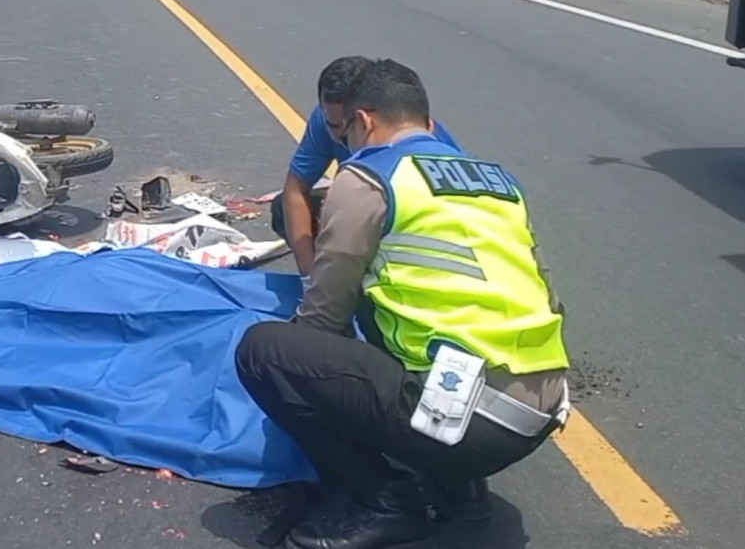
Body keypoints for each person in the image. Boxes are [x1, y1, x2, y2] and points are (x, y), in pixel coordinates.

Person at [235, 59, 570, 549]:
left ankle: (385, 501)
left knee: (265, 351)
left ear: (364, 122)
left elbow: (322, 318)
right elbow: (547, 294)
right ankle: (459, 486)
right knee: (385, 303)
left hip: (469, 420)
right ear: (428, 124)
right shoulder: (499, 181)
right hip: (538, 411)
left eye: (346, 130)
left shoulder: (368, 176)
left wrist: (315, 383)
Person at [271, 56, 459, 281]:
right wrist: (309, 275)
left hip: (422, 228)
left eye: (348, 126)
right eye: (333, 125)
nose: (341, 135)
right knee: (287, 209)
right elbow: (296, 188)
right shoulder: (326, 120)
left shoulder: (416, 138)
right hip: (376, 212)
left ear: (365, 120)